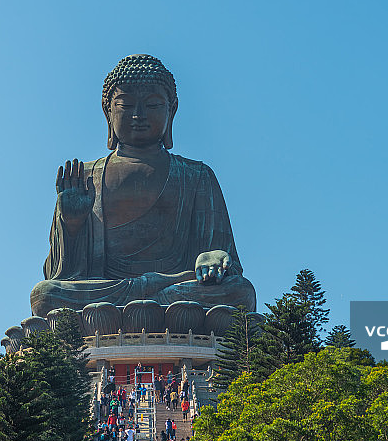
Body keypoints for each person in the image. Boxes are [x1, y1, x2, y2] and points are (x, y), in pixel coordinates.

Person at [30, 55, 256, 333]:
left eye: (152, 105)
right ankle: (147, 311)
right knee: (45, 295)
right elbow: (62, 275)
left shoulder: (197, 175)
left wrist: (213, 258)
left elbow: (222, 259)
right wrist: (72, 224)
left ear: (172, 110)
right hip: (108, 293)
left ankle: (144, 311)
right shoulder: (84, 177)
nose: (139, 115)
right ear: (107, 112)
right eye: (126, 105)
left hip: (175, 288)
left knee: (239, 291)